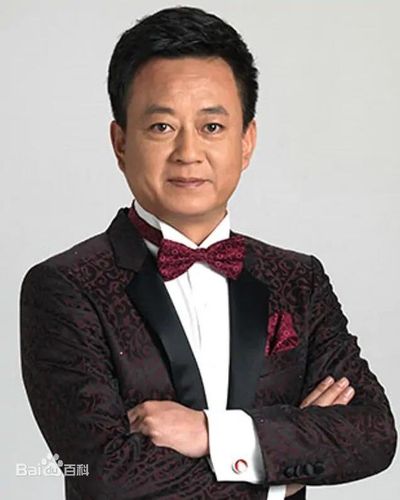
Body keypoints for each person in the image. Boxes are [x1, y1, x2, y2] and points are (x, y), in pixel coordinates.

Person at [20, 6, 396, 500]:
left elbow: (373, 433)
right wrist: (281, 472)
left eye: (212, 127)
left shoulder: (298, 279)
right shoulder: (65, 287)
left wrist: (212, 434)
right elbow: (102, 474)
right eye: (162, 127)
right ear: (120, 143)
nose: (188, 153)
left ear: (247, 141)